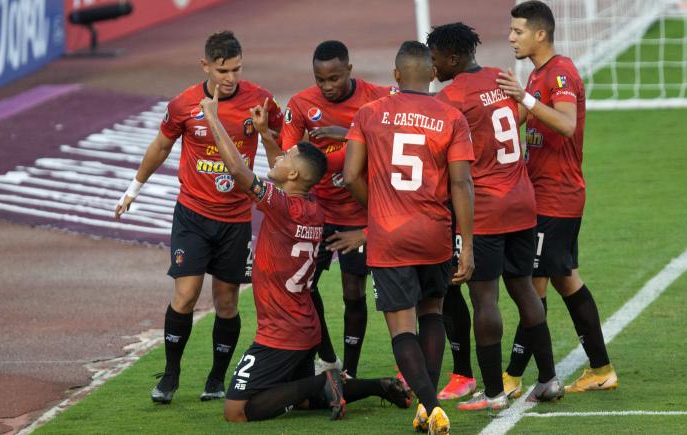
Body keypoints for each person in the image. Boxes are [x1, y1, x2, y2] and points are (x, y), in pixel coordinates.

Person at [193, 85, 411, 423]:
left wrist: (212, 117)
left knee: (236, 411)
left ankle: (325, 382)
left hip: (281, 332)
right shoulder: (311, 207)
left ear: (293, 174)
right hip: (303, 326)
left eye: (286, 156)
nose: (279, 156)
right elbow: (284, 179)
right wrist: (267, 136)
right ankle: (374, 387)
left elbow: (239, 171)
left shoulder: (284, 207)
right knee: (299, 401)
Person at [114, 31, 283, 404]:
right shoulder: (184, 105)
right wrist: (133, 190)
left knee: (226, 302)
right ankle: (170, 377)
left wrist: (269, 137)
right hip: (192, 215)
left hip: (236, 219)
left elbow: (280, 151)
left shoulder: (261, 101)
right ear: (205, 65)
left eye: (237, 69)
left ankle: (216, 380)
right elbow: (161, 146)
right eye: (223, 70)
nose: (231, 78)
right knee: (186, 295)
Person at [428, 22, 564, 409]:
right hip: (522, 199)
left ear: (453, 57)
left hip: (486, 207)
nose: (433, 67)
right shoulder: (501, 78)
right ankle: (549, 379)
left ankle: (492, 393)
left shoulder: (450, 98)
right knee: (523, 288)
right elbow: (515, 116)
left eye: (435, 59)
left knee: (484, 299)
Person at [343, 40, 475, 435]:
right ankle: (426, 404)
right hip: (434, 233)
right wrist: (466, 243)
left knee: (401, 327)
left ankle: (431, 406)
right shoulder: (452, 117)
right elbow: (462, 184)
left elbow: (350, 176)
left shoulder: (369, 113)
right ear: (432, 74)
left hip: (390, 236)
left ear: (396, 75)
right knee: (432, 312)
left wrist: (378, 208)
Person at [497, 0, 618, 394]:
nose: (511, 37)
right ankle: (601, 369)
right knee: (566, 282)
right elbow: (518, 122)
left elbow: (566, 124)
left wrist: (527, 101)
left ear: (540, 34)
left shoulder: (560, 72)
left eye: (517, 31)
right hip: (543, 196)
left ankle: (512, 375)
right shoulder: (536, 76)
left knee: (533, 286)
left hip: (556, 197)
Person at [279, 40, 394, 378]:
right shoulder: (300, 104)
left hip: (360, 213)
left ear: (349, 70)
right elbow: (290, 158)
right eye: (320, 79)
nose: (327, 87)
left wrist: (350, 134)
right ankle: (327, 356)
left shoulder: (378, 97)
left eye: (334, 78)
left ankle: (351, 371)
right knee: (303, 286)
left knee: (353, 291)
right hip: (317, 212)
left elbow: (397, 133)